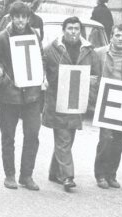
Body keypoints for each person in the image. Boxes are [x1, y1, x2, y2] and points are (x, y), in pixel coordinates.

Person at [0, 2, 43, 191]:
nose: (20, 20)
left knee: (32, 135)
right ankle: (9, 174)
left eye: (24, 16)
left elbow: (39, 59)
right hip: (10, 97)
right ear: (11, 18)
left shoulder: (35, 35)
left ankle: (26, 175)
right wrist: (3, 83)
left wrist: (40, 79)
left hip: (32, 96)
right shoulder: (2, 39)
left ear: (28, 18)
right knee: (8, 136)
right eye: (17, 16)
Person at [42, 16, 100, 192]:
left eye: (76, 28)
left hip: (76, 101)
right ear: (63, 30)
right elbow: (43, 69)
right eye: (70, 28)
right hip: (57, 101)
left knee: (67, 138)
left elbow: (97, 73)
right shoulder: (51, 49)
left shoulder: (89, 51)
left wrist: (91, 82)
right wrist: (45, 79)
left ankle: (54, 171)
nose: (73, 32)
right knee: (63, 138)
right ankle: (67, 176)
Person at [93, 24, 122, 189]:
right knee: (106, 139)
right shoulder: (99, 54)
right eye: (117, 35)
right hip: (107, 100)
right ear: (111, 36)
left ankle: (111, 174)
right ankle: (100, 174)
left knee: (118, 141)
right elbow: (93, 75)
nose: (120, 39)